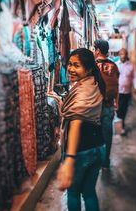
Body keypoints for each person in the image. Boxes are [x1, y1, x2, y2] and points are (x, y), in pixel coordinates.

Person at [48, 48, 105, 211]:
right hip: (98, 146)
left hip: (81, 151)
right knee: (88, 192)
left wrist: (69, 160)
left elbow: (75, 125)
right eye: (70, 64)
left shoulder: (82, 92)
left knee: (73, 194)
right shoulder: (93, 83)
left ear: (87, 69)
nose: (71, 69)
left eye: (76, 65)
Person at [93, 40, 119, 169]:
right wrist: (116, 104)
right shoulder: (113, 66)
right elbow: (116, 86)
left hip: (94, 107)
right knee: (107, 136)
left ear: (97, 51)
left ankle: (96, 161)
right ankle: (105, 162)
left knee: (95, 136)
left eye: (94, 49)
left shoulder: (93, 66)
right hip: (109, 105)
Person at [116, 48, 134, 135]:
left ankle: (121, 125)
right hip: (118, 91)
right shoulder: (116, 65)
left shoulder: (130, 66)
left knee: (124, 109)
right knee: (118, 109)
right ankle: (120, 126)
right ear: (119, 55)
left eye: (124, 54)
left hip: (127, 92)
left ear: (126, 55)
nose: (123, 56)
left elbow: (135, 77)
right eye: (121, 54)